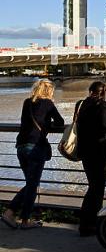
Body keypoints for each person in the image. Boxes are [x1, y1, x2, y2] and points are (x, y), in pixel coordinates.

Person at [1, 79, 64, 229]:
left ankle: (12, 214)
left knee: (30, 184)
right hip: (35, 148)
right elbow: (60, 122)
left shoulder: (26, 102)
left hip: (21, 147)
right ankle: (21, 218)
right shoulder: (48, 104)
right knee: (32, 185)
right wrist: (48, 126)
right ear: (49, 91)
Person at [75, 81, 106, 236]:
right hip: (101, 151)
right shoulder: (104, 105)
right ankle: (92, 224)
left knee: (92, 186)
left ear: (90, 91)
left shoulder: (81, 104)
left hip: (85, 151)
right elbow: (105, 127)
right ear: (104, 92)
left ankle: (86, 224)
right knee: (98, 188)